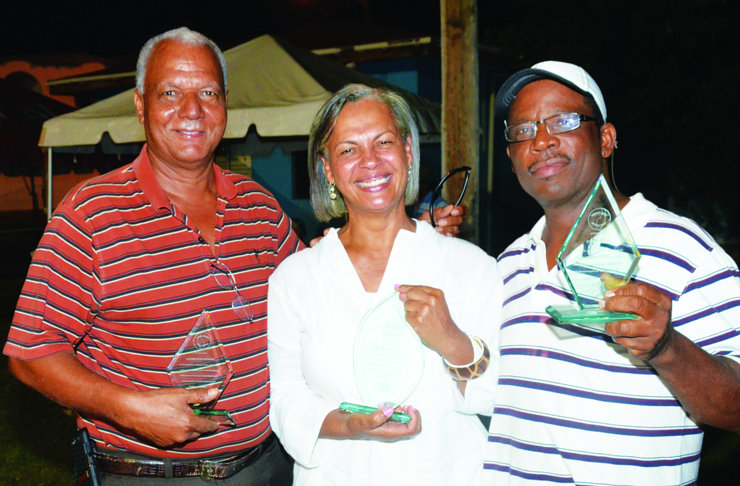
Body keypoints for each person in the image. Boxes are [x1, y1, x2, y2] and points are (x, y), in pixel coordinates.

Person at [2, 28, 464, 484]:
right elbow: (30, 354)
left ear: (225, 104)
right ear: (141, 105)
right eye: (170, 93)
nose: (192, 109)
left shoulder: (258, 206)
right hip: (149, 474)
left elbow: (323, 281)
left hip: (267, 466)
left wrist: (407, 234)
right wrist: (129, 408)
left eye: (208, 92)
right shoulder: (91, 214)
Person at [481, 61, 740, 485]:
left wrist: (666, 348)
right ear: (511, 160)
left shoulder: (681, 246)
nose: (541, 140)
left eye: (563, 121)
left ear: (605, 139)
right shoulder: (507, 264)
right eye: (523, 130)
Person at [267, 84, 502, 485]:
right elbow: (286, 399)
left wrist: (453, 341)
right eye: (348, 150)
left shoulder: (470, 266)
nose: (370, 161)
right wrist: (349, 425)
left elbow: (500, 396)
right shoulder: (295, 278)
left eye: (384, 142)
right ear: (327, 169)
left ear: (408, 151)